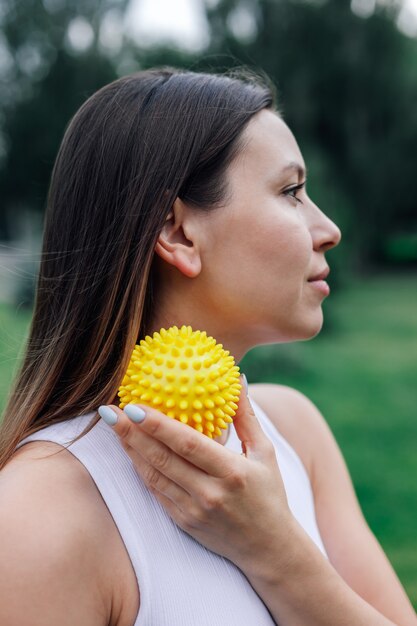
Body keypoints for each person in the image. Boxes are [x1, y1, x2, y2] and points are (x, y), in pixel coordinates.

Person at [0, 67, 415, 626]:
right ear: (177, 233)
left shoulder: (297, 432)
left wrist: (275, 550)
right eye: (291, 191)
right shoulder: (34, 516)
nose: (329, 227)